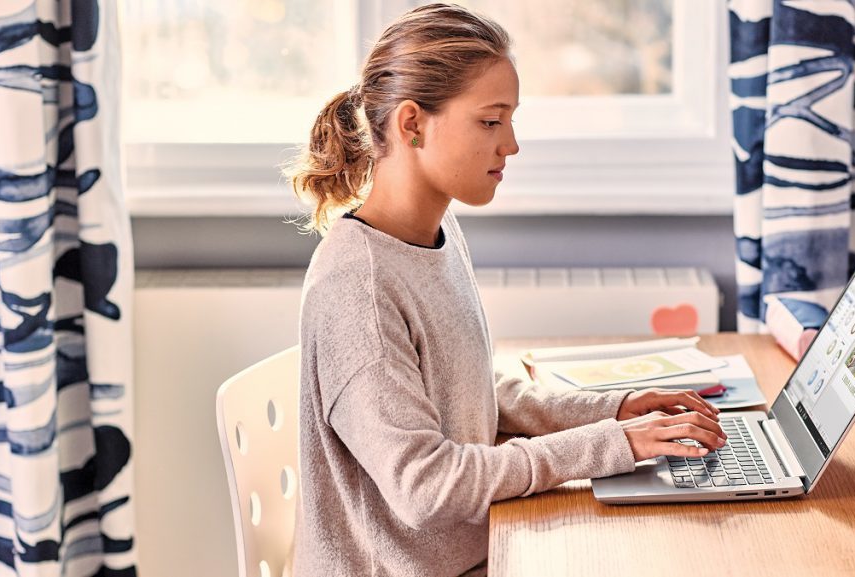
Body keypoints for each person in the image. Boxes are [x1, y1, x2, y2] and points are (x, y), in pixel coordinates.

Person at [286, 4, 727, 576]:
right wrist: (614, 445)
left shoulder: (435, 234)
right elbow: (427, 486)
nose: (511, 144)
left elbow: (468, 390)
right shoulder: (358, 286)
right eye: (491, 122)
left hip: (481, 548)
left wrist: (613, 413)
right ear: (412, 124)